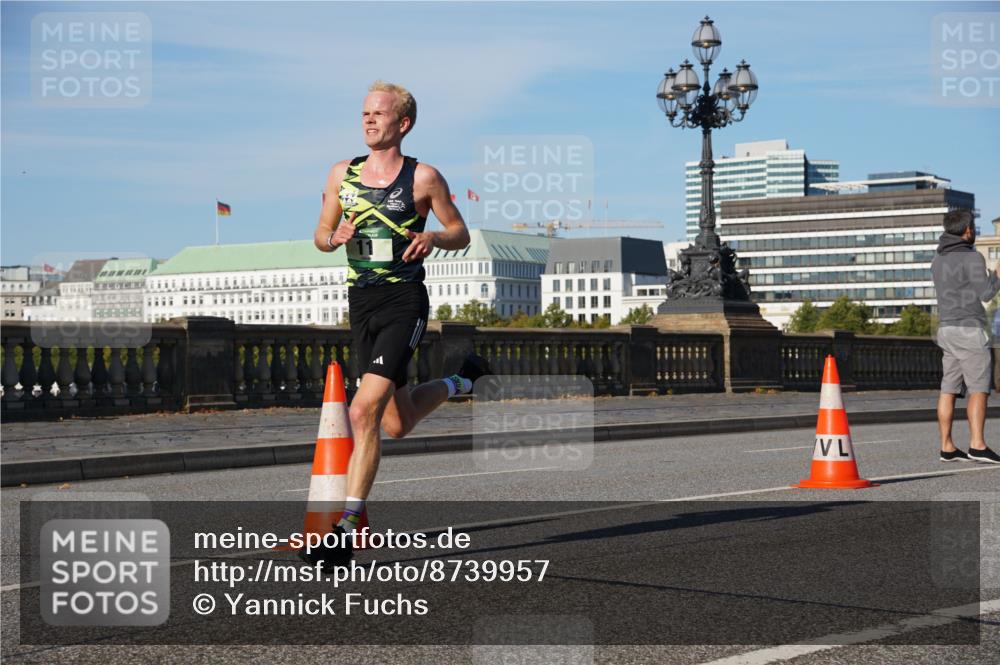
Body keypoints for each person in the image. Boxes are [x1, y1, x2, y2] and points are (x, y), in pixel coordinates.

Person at [304, 81, 491, 568]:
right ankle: (462, 381)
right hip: (361, 303)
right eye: (364, 113)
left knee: (362, 411)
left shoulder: (423, 178)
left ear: (402, 123)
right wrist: (334, 237)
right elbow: (320, 233)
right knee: (397, 422)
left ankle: (345, 530)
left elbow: (460, 232)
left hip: (404, 302)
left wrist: (433, 238)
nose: (368, 120)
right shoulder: (342, 174)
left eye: (379, 114)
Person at [931, 208, 1000, 464]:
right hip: (969, 329)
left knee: (948, 389)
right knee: (979, 388)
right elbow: (986, 294)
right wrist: (997, 275)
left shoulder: (937, 260)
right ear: (967, 230)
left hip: (946, 329)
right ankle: (977, 445)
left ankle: (947, 447)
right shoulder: (972, 257)